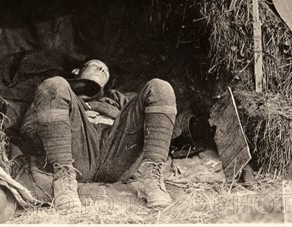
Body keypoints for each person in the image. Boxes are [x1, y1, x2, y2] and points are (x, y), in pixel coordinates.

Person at [19, 59, 177, 212]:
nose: (102, 70)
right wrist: (59, 133)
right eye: (95, 66)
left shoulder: (117, 99)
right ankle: (64, 180)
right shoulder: (55, 91)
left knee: (160, 87)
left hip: (117, 154)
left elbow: (156, 122)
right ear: (77, 71)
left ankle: (152, 180)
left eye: (105, 71)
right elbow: (29, 130)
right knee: (54, 83)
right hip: (76, 155)